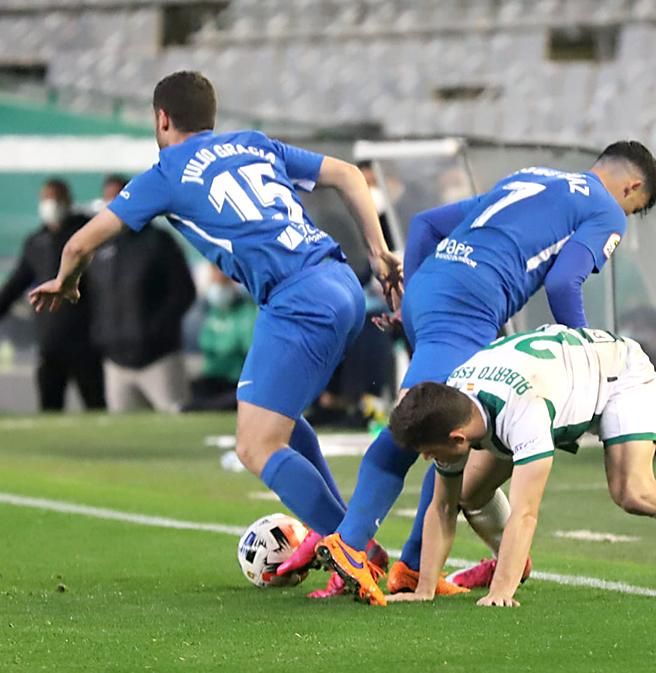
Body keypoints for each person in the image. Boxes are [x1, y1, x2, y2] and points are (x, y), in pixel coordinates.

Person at [28, 71, 402, 598]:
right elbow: (348, 174)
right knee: (281, 423)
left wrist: (66, 283)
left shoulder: (166, 172)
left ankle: (352, 547)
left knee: (254, 445)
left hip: (295, 298)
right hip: (338, 281)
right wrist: (380, 252)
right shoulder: (252, 143)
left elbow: (78, 244)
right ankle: (346, 537)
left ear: (162, 119)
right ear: (212, 116)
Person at [280, 142, 656, 606]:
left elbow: (425, 225)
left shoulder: (534, 177)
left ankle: (415, 565)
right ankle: (352, 546)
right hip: (467, 307)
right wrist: (579, 349)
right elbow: (565, 282)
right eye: (633, 206)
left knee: (450, 430)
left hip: (433, 291)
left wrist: (411, 300)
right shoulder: (605, 209)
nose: (626, 212)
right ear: (632, 186)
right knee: (419, 426)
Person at [382, 324, 656, 607]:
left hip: (618, 374)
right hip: (559, 378)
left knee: (634, 492)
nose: (426, 459)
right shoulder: (455, 404)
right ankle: (511, 561)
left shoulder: (522, 413)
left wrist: (502, 592)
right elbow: (442, 506)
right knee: (468, 492)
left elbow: (526, 512)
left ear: (456, 438)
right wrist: (426, 589)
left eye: (429, 452)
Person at [88, 178, 197, 412]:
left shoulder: (158, 242)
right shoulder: (100, 247)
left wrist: (155, 331)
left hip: (159, 359)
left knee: (175, 425)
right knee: (123, 437)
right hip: (115, 362)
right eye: (109, 198)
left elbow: (183, 292)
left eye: (118, 196)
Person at [0, 179, 105, 411]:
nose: (50, 204)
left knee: (96, 405)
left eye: (55, 198)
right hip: (50, 341)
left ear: (68, 200)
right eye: (46, 199)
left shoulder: (85, 233)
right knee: (49, 406)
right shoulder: (37, 241)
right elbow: (16, 283)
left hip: (86, 340)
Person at [182, 266, 256, 412]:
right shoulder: (208, 311)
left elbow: (248, 349)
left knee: (230, 399)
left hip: (236, 379)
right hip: (213, 378)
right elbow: (205, 343)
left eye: (223, 282)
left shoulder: (247, 311)